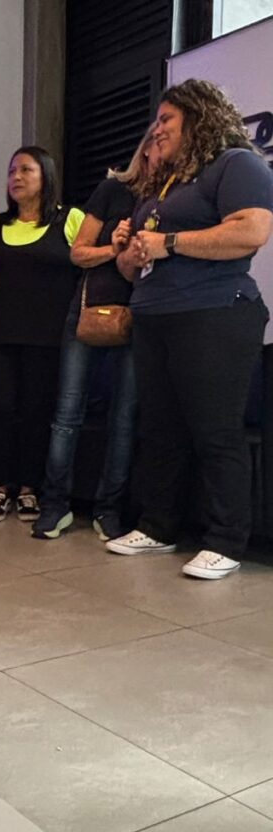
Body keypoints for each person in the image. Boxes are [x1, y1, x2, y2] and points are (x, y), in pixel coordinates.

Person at [108, 78, 273, 579]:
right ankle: (158, 527)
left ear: (197, 119)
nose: (155, 129)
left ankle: (226, 541)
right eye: (155, 120)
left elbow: (252, 231)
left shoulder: (237, 164)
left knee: (215, 430)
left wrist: (170, 243)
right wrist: (128, 250)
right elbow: (128, 269)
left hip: (216, 312)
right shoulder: (164, 185)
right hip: (155, 315)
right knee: (161, 429)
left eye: (166, 120)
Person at [32, 125, 157, 542]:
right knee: (68, 412)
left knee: (125, 417)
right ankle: (55, 505)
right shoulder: (113, 189)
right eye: (155, 142)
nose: (160, 151)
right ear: (144, 148)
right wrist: (115, 250)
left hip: (143, 314)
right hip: (91, 310)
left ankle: (109, 509)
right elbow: (78, 252)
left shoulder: (173, 197)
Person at [0, 147, 84, 522]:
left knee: (36, 413)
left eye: (26, 170)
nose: (16, 177)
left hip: (51, 339)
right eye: (12, 170)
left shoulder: (70, 218)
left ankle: (30, 489)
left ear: (46, 175)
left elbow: (92, 262)